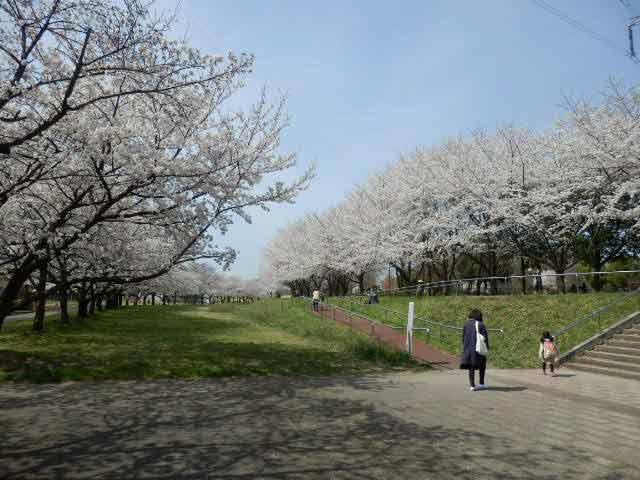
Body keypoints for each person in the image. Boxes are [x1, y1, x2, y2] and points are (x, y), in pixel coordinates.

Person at [460, 309, 490, 391]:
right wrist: (487, 347)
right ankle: (481, 383)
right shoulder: (481, 324)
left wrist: (465, 347)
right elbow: (485, 338)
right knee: (482, 366)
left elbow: (463, 337)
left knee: (471, 367)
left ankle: (472, 386)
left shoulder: (466, 324)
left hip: (469, 349)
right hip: (478, 349)